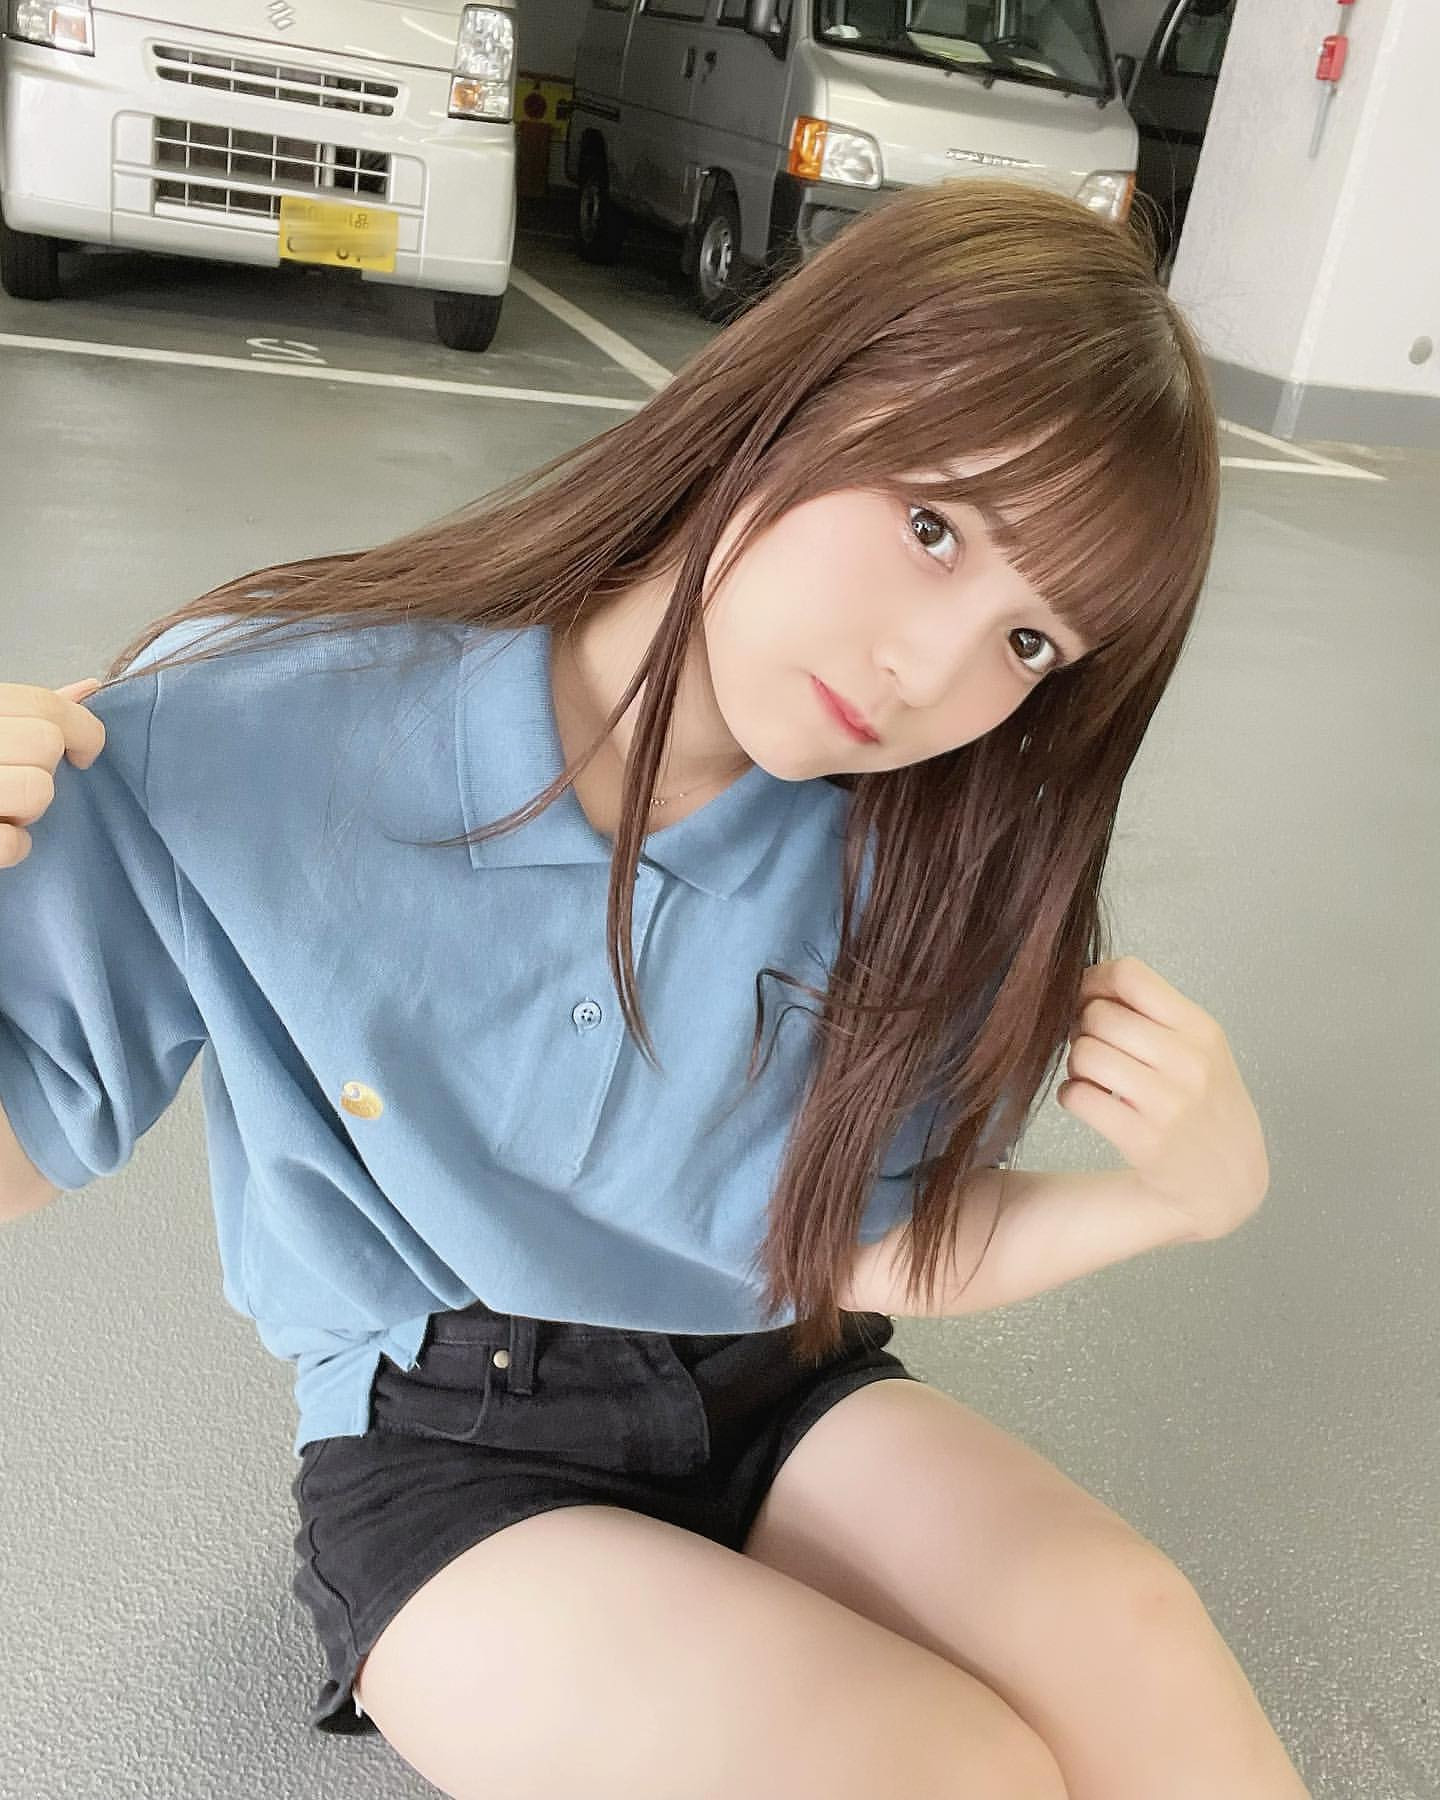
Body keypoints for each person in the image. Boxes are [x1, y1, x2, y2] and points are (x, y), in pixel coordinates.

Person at [0, 180, 1310, 1798]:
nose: (932, 675)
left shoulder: (916, 856)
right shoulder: (258, 719)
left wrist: (1175, 1200)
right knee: (947, 1771)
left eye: (1030, 643)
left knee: (1144, 1656)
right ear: (798, 391)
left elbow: (847, 1245)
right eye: (933, 527)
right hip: (443, 1440)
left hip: (774, 1383)